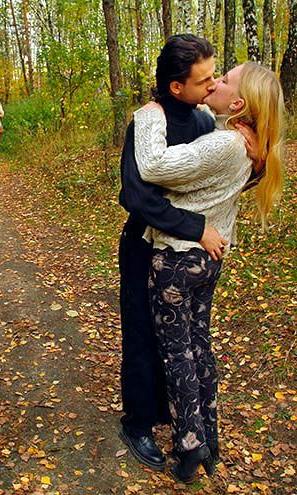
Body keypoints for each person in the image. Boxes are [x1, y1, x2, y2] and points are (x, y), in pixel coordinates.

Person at [133, 61, 285, 482]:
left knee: (178, 353)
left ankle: (189, 444)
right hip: (208, 260)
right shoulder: (247, 145)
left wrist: (148, 114)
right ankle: (210, 436)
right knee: (199, 347)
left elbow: (153, 167)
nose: (215, 82)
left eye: (225, 80)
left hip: (178, 259)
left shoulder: (226, 145)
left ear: (237, 102)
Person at [117, 34, 223, 472]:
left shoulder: (203, 120)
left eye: (215, 76)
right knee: (142, 334)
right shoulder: (147, 121)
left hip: (183, 254)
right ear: (176, 86)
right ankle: (138, 422)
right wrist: (197, 227)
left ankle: (168, 412)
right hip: (144, 245)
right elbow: (137, 197)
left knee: (179, 339)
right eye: (204, 81)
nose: (213, 86)